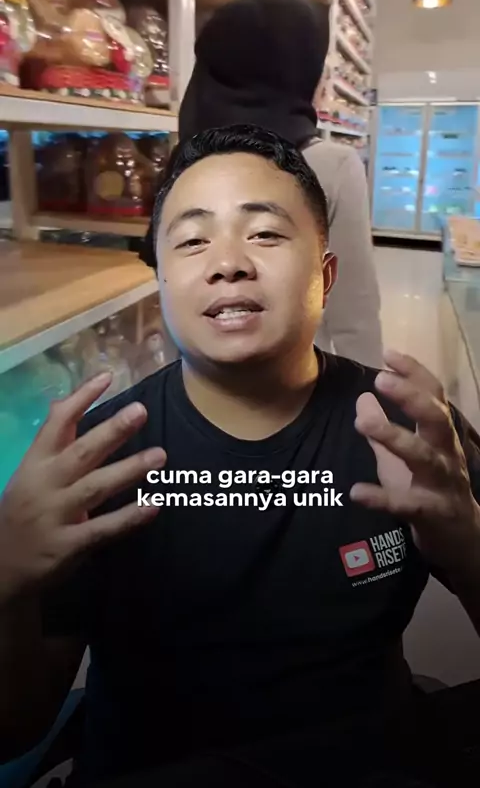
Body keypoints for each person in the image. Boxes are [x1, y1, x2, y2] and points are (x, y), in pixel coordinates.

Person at [1, 125, 479, 788]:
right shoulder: (93, 459)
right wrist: (7, 586)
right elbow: (15, 728)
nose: (228, 263)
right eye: (193, 241)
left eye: (265, 233)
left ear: (325, 275)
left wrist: (467, 544)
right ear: (161, 281)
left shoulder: (409, 430)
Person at [176, 0, 383, 368]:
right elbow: (355, 318)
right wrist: (372, 393)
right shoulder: (332, 166)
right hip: (294, 383)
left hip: (200, 380)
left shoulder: (184, 163)